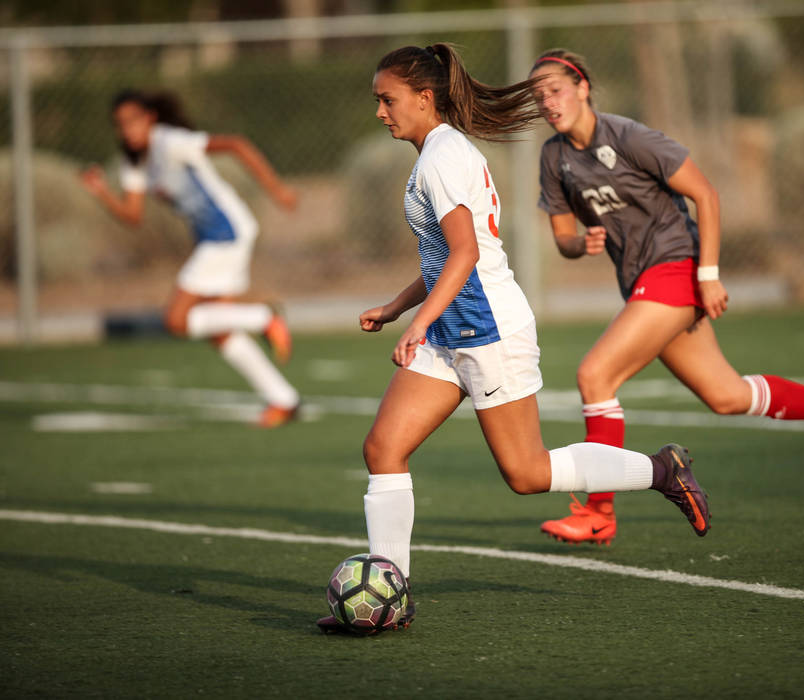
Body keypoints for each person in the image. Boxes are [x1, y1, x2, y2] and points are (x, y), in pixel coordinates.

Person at [317, 43, 710, 634]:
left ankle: (662, 470)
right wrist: (402, 309)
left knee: (526, 474)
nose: (380, 111)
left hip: (486, 328)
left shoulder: (443, 157)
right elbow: (444, 256)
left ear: (425, 98)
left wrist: (420, 321)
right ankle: (390, 601)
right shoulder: (434, 153)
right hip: (454, 326)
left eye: (387, 99)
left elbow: (468, 254)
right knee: (383, 450)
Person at [529, 49, 804, 545]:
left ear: (583, 87)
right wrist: (582, 243)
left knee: (595, 374)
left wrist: (707, 274)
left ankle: (600, 511)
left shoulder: (629, 137)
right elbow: (562, 238)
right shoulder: (554, 158)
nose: (548, 102)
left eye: (556, 89)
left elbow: (706, 194)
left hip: (676, 268)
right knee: (727, 396)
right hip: (644, 284)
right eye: (539, 96)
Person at [80, 89, 301, 428]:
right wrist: (101, 192)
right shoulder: (134, 161)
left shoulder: (170, 142)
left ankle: (263, 316)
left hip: (226, 232)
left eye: (133, 121)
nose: (127, 130)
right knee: (220, 330)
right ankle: (283, 400)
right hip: (213, 239)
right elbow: (133, 215)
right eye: (120, 124)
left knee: (176, 320)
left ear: (150, 118)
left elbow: (237, 144)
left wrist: (278, 191)